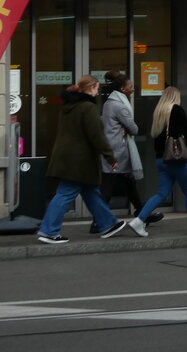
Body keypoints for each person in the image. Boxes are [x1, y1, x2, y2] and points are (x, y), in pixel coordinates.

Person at [36, 76, 127, 244]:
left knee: (90, 191)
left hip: (68, 157)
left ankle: (108, 224)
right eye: (97, 88)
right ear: (91, 88)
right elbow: (97, 135)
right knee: (65, 193)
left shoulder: (68, 106)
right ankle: (48, 230)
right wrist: (110, 156)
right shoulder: (88, 107)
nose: (98, 91)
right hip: (79, 160)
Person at [128, 86, 187, 237]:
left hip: (161, 159)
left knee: (161, 193)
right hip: (176, 158)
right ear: (175, 97)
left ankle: (139, 220)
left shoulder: (159, 112)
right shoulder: (176, 110)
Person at [92, 71, 161, 233]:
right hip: (119, 150)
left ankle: (142, 214)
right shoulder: (119, 106)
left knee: (129, 184)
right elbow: (134, 128)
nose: (132, 89)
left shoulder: (109, 103)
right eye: (130, 87)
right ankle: (97, 221)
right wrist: (127, 129)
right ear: (123, 89)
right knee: (109, 187)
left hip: (113, 148)